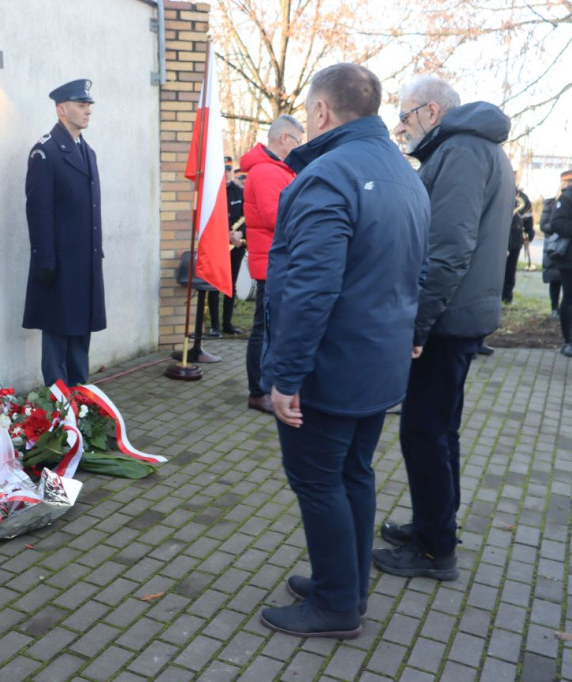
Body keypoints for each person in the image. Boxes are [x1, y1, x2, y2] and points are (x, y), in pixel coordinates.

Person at [257, 63, 429, 638]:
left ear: (321, 111)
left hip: (330, 368)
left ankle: (336, 605)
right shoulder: (404, 173)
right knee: (353, 472)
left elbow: (310, 289)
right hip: (377, 361)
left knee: (318, 479)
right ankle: (346, 586)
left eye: (310, 112)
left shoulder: (328, 175)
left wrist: (286, 377)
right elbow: (417, 271)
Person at [374, 76, 514, 581]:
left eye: (405, 116)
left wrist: (418, 326)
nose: (400, 127)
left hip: (446, 320)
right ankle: (435, 527)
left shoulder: (461, 152)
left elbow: (449, 249)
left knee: (424, 431)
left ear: (431, 111)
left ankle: (434, 550)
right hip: (458, 316)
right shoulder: (474, 148)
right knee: (438, 430)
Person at [23, 79, 105, 386]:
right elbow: (38, 211)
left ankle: (81, 400)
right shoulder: (45, 152)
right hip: (59, 263)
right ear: (61, 109)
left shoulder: (88, 152)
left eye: (88, 105)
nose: (88, 110)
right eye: (81, 105)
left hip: (85, 262)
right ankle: (59, 406)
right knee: (57, 335)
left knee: (81, 334)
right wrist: (45, 260)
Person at [240, 115, 304, 413]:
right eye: (298, 141)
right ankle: (259, 391)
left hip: (278, 260)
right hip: (271, 262)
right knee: (264, 329)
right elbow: (274, 216)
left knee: (272, 327)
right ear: (284, 138)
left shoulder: (279, 170)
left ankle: (269, 385)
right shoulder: (267, 171)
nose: (300, 147)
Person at [206, 164, 246, 337]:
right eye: (223, 169)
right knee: (214, 286)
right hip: (216, 245)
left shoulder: (240, 192)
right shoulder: (212, 192)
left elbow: (248, 216)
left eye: (229, 169)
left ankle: (227, 324)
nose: (227, 172)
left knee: (231, 285)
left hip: (235, 245)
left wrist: (241, 233)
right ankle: (214, 326)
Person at [546, 169, 572, 357]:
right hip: (569, 259)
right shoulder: (567, 197)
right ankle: (569, 341)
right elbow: (556, 223)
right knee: (570, 300)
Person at [540, 170, 572, 318]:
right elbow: (548, 224)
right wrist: (555, 232)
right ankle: (554, 308)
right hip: (559, 248)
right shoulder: (556, 201)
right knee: (556, 281)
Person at [501, 186, 534, 305]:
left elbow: (528, 217)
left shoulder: (523, 198)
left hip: (515, 238)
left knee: (510, 270)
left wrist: (529, 231)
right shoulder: (500, 190)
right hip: (498, 238)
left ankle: (507, 296)